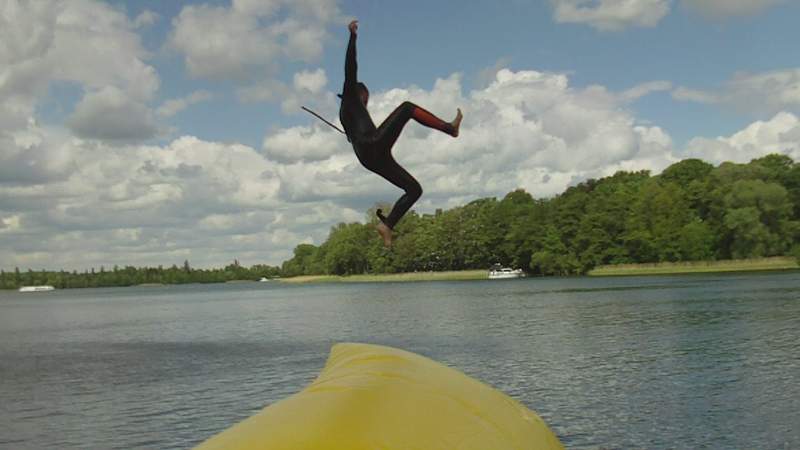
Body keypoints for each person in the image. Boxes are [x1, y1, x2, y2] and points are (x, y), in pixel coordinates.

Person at [339, 20, 462, 247]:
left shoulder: (347, 114)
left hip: (371, 157)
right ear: (360, 94)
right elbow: (350, 67)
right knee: (406, 108)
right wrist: (353, 38)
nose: (367, 103)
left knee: (414, 189)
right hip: (371, 145)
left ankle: (387, 225)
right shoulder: (350, 96)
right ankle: (449, 128)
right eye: (367, 98)